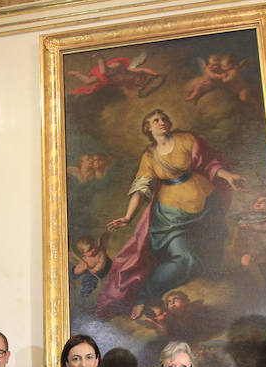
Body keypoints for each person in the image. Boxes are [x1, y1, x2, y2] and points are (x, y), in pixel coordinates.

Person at [98, 108, 245, 321]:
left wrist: (228, 176)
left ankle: (211, 273)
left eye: (164, 118)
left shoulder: (187, 140)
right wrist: (128, 216)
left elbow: (208, 162)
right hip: (172, 218)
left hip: (207, 205)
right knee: (184, 258)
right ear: (148, 128)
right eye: (155, 120)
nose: (161, 122)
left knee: (215, 241)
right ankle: (144, 296)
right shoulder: (149, 156)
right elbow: (141, 187)